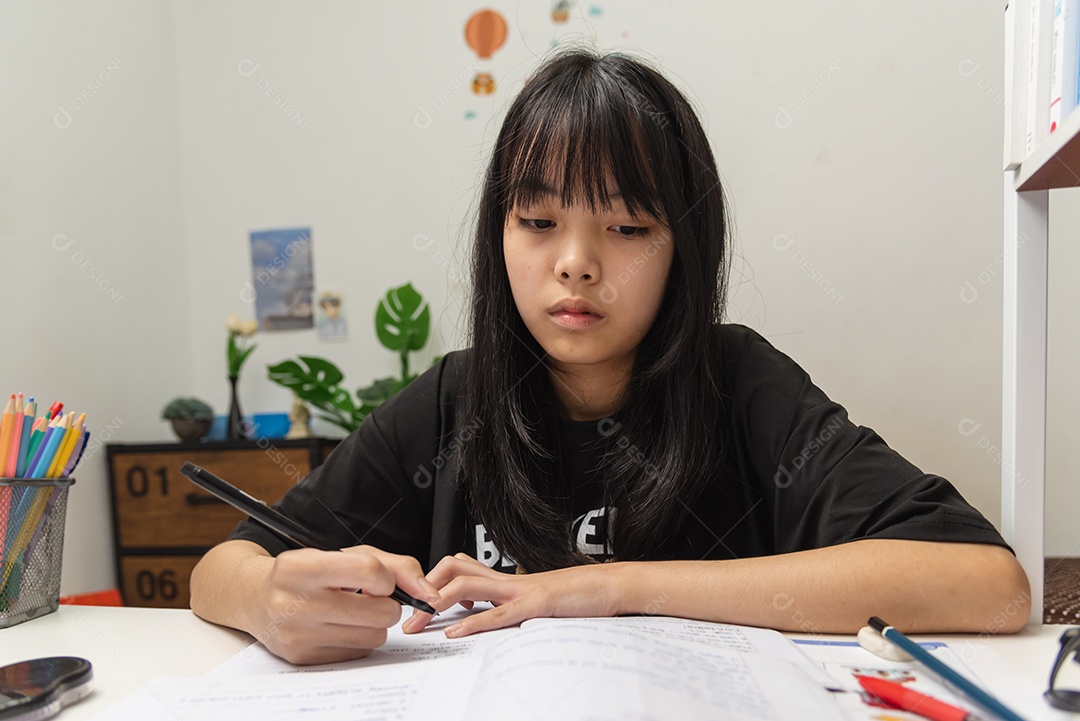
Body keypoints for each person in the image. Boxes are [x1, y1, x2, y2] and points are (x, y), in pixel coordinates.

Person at [190, 47, 1029, 665]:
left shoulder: (737, 385)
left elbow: (986, 582)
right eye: (539, 221)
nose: (576, 263)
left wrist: (603, 585)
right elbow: (221, 567)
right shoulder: (457, 400)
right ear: (500, 235)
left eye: (627, 228)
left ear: (683, 247)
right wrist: (267, 599)